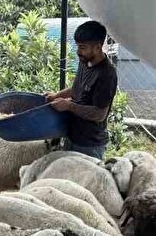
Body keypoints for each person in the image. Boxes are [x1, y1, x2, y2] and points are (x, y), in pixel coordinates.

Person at [45, 20, 118, 161]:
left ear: (97, 47)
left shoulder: (106, 74)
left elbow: (99, 114)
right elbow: (76, 88)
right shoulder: (84, 60)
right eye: (78, 46)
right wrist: (56, 95)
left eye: (83, 47)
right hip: (72, 136)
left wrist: (69, 106)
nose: (78, 51)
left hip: (90, 144)